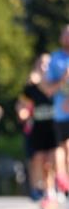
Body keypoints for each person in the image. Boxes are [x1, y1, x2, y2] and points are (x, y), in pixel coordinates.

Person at [20, 54, 59, 209]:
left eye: (47, 64)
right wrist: (22, 112)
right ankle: (44, 190)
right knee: (41, 161)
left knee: (53, 160)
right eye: (41, 64)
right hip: (38, 128)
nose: (44, 67)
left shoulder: (59, 84)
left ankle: (55, 187)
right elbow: (22, 105)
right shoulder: (31, 88)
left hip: (55, 127)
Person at [44, 24, 69, 199]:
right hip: (62, 112)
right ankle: (63, 180)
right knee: (63, 147)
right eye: (65, 34)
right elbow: (49, 89)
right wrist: (63, 79)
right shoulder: (55, 59)